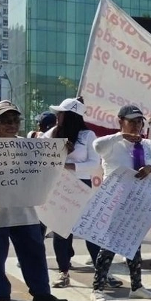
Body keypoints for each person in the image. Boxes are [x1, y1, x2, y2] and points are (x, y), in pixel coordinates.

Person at [0, 101, 70, 301]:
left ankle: (41, 294)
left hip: (26, 212)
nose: (11, 124)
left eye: (15, 120)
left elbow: (47, 172)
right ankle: (2, 296)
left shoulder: (31, 146)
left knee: (34, 254)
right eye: (5, 120)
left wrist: (62, 153)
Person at [90, 104, 151, 301]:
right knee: (109, 246)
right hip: (114, 200)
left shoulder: (148, 145)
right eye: (132, 121)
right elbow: (97, 146)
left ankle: (136, 286)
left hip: (137, 201)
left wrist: (150, 169)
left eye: (140, 121)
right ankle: (97, 288)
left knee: (134, 244)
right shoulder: (112, 143)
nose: (137, 125)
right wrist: (121, 136)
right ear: (121, 122)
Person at [42, 97, 103, 288]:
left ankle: (101, 271)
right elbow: (43, 157)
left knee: (89, 231)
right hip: (58, 187)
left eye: (60, 113)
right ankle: (63, 272)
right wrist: (60, 153)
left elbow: (94, 163)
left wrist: (69, 165)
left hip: (81, 186)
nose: (57, 116)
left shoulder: (88, 136)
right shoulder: (51, 134)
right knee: (61, 232)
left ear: (70, 116)